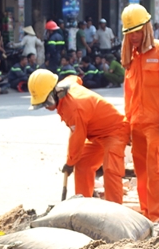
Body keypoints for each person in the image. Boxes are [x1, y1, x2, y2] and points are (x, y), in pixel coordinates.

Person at [28, 70, 130, 202]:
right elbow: (75, 78)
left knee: (111, 170)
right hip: (95, 134)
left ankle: (115, 212)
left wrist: (70, 163)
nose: (46, 107)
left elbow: (78, 140)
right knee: (83, 165)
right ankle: (82, 205)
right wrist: (72, 162)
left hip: (115, 131)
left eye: (47, 102)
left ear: (57, 92)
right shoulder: (66, 84)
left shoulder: (74, 109)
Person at [121, 4, 159, 224]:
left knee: (157, 174)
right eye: (129, 33)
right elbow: (129, 94)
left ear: (147, 28)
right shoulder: (132, 57)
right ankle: (147, 216)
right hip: (137, 125)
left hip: (157, 125)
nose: (134, 37)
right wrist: (127, 123)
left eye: (137, 31)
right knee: (142, 174)